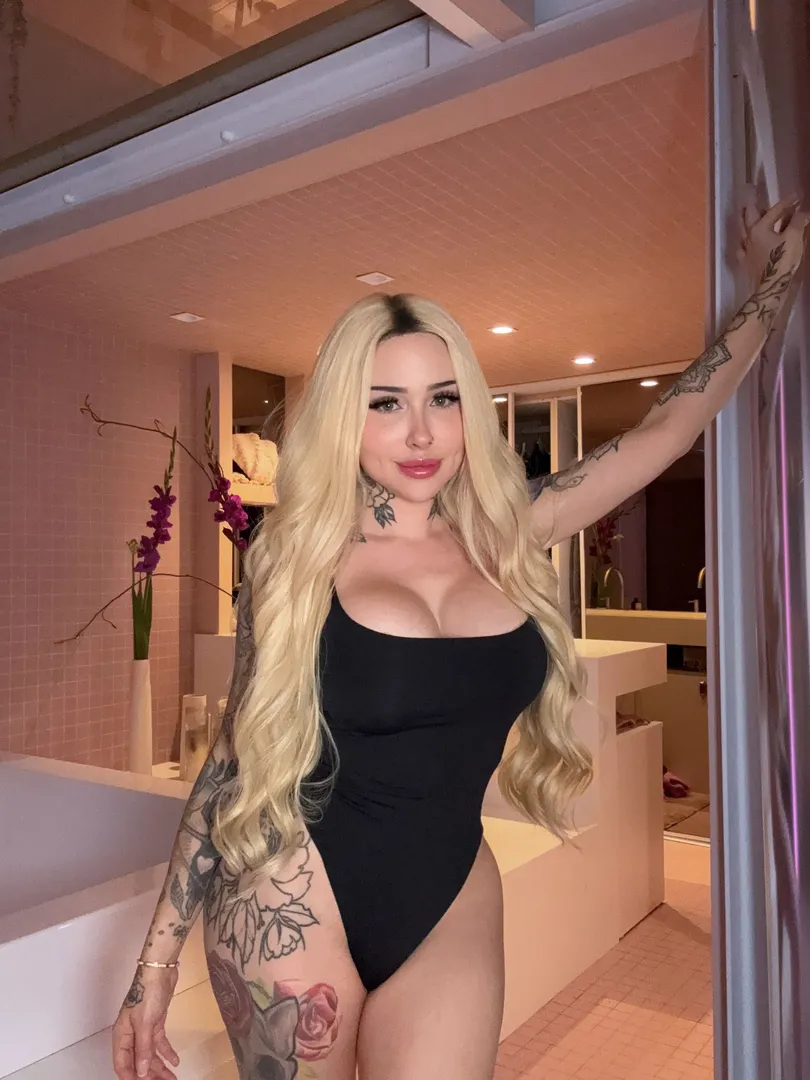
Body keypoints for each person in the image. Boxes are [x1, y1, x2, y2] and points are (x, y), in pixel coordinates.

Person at [112, 196, 806, 1080]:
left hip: (448, 895)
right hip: (291, 890)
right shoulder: (296, 555)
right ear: (345, 416)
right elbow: (231, 758)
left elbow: (669, 427)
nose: (421, 432)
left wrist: (779, 277)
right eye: (386, 403)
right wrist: (154, 965)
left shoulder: (510, 529)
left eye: (442, 398)